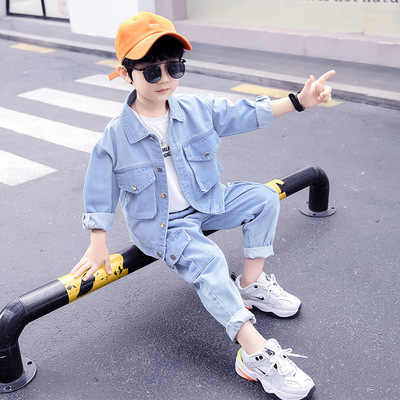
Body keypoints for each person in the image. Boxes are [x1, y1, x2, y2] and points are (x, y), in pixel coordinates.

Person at [70, 11, 335, 400]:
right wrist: (98, 241)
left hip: (208, 201)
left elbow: (244, 113)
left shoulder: (195, 109)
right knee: (209, 261)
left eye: (174, 67)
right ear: (126, 75)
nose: (165, 78)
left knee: (262, 198)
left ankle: (250, 285)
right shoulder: (115, 137)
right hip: (164, 225)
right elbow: (99, 186)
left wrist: (299, 101)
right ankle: (254, 354)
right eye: (152, 71)